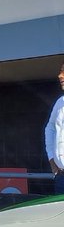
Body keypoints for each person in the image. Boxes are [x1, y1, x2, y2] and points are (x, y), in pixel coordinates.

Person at [46, 63, 64, 195]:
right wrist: (51, 158)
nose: (59, 76)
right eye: (60, 72)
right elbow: (50, 128)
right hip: (61, 176)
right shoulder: (60, 102)